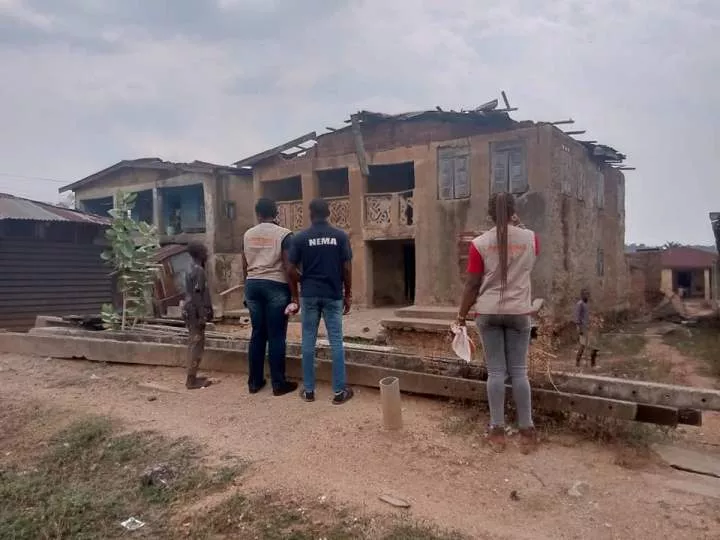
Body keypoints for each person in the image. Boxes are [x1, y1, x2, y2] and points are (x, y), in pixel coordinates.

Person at [455, 192, 539, 453]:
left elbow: (472, 284)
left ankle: (497, 431)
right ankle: (527, 430)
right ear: (514, 211)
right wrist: (519, 224)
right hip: (519, 312)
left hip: (489, 312)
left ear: (490, 214)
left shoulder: (480, 243)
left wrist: (461, 315)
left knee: (495, 373)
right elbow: (532, 252)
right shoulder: (531, 238)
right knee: (519, 372)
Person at [288, 198, 354, 405]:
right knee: (336, 341)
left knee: (308, 340)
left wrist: (303, 281)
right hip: (333, 294)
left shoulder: (301, 238)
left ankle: (309, 391)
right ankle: (338, 391)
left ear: (310, 214)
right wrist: (348, 293)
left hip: (309, 294)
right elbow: (347, 268)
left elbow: (289, 269)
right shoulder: (340, 236)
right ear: (328, 214)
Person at [242, 198, 299, 396]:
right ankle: (278, 383)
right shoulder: (284, 234)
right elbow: (288, 267)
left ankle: (254, 382)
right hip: (275, 285)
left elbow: (245, 263)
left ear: (258, 213)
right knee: (276, 335)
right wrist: (295, 296)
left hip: (252, 284)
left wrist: (246, 289)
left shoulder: (247, 234)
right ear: (276, 213)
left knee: (258, 333)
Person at [182, 242, 214, 390]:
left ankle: (192, 376)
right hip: (195, 311)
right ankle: (191, 380)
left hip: (189, 310)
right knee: (196, 345)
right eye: (205, 251)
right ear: (200, 253)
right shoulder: (199, 270)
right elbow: (197, 295)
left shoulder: (189, 268)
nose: (207, 254)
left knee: (193, 343)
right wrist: (202, 315)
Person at [574, 288, 598, 368]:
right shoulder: (579, 304)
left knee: (592, 345)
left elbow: (587, 316)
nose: (587, 296)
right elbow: (577, 317)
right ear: (582, 295)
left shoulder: (586, 304)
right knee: (583, 345)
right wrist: (579, 328)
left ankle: (592, 363)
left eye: (588, 294)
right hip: (582, 328)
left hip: (588, 327)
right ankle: (578, 361)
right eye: (585, 294)